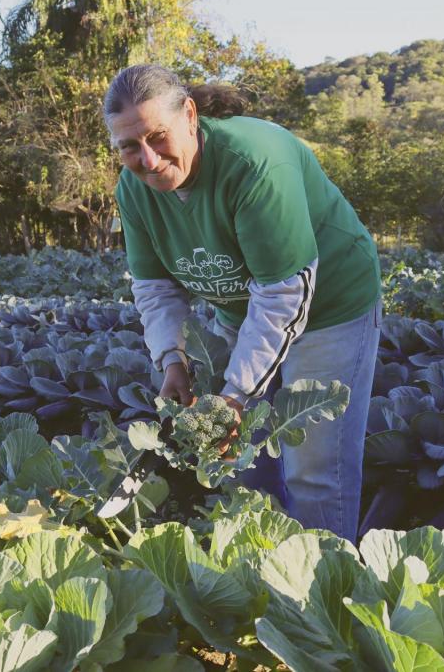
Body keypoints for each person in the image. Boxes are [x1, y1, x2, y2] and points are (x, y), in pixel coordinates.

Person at [104, 64, 381, 542]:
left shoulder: (253, 162)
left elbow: (281, 295)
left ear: (189, 115)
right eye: (129, 146)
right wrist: (173, 360)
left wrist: (235, 396)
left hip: (330, 309)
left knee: (312, 470)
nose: (147, 159)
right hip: (239, 312)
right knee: (239, 464)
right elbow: (156, 288)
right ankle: (259, 580)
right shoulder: (134, 191)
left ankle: (324, 592)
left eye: (157, 137)